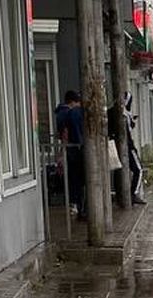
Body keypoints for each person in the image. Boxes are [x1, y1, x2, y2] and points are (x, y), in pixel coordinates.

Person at [107, 91, 146, 205]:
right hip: (128, 146)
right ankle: (133, 193)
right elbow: (129, 128)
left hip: (114, 146)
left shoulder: (111, 112)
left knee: (118, 170)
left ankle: (121, 195)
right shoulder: (124, 114)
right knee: (138, 170)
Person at [54, 90, 86, 220]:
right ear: (73, 102)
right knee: (79, 181)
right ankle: (79, 207)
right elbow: (67, 133)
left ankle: (76, 206)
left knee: (73, 180)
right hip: (76, 151)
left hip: (70, 151)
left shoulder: (60, 114)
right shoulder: (72, 113)